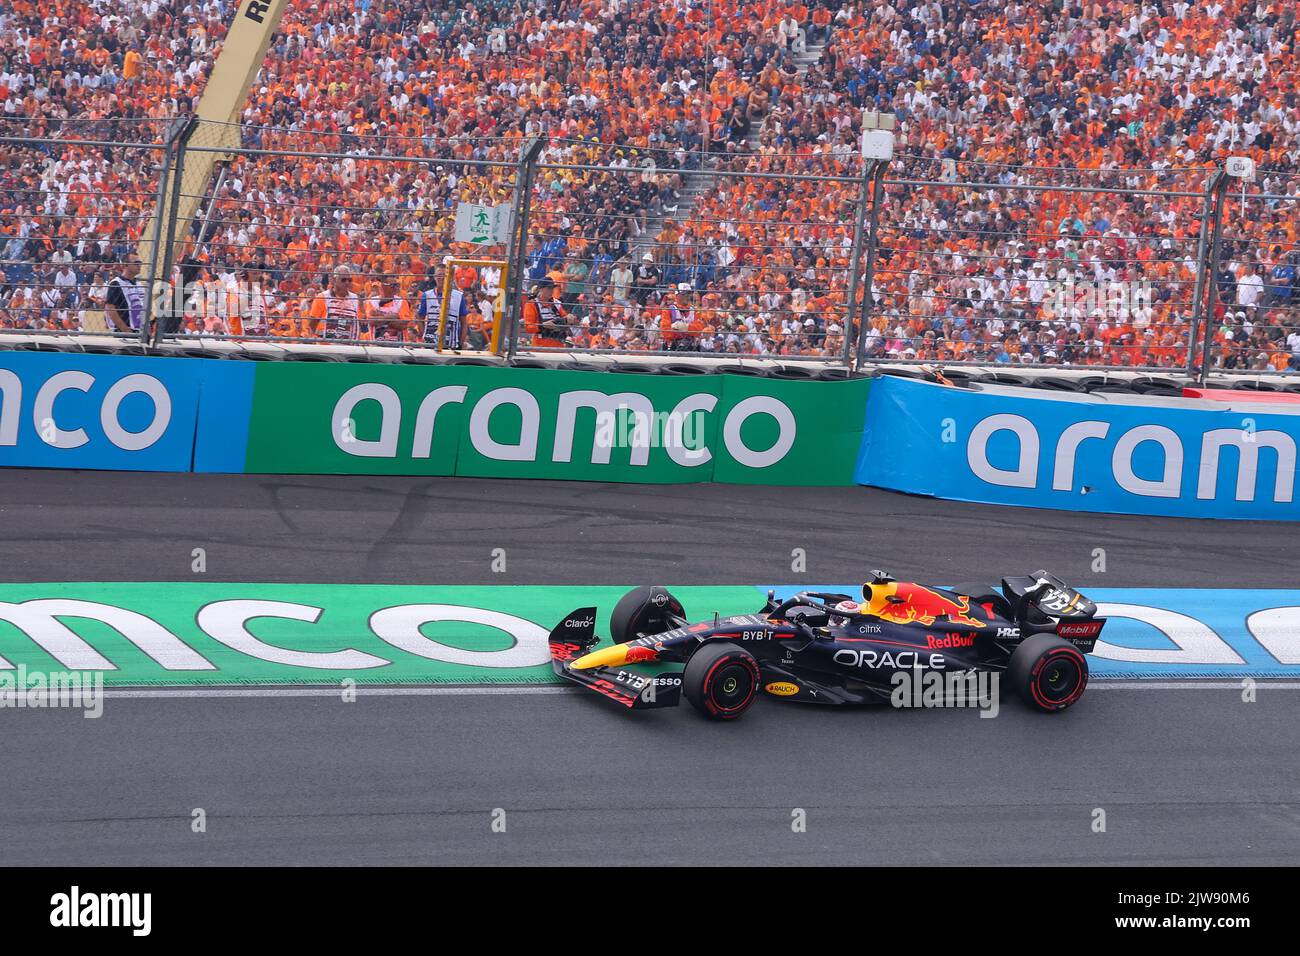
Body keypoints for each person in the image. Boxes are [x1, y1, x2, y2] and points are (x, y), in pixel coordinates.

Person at [417, 260, 469, 349]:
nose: (441, 278)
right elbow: (420, 318)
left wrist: (461, 342)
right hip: (430, 343)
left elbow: (464, 322)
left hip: (451, 344)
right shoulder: (427, 295)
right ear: (434, 277)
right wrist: (424, 336)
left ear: (450, 277)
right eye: (439, 275)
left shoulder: (459, 296)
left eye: (444, 275)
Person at [522, 277, 569, 349]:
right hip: (540, 345)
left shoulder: (556, 303)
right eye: (548, 288)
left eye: (552, 288)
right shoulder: (531, 304)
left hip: (558, 345)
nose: (551, 291)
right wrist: (542, 325)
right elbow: (528, 327)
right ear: (541, 289)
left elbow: (566, 318)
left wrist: (569, 318)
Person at [104, 256, 146, 334]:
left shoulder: (139, 284)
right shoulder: (116, 283)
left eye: (140, 263)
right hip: (125, 331)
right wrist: (126, 330)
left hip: (140, 330)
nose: (139, 266)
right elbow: (110, 308)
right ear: (125, 265)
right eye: (136, 263)